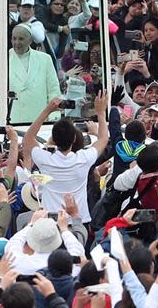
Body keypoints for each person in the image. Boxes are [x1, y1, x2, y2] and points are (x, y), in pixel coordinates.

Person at [22, 93, 108, 223]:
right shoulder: (84, 159)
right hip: (79, 222)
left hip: (51, 222)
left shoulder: (44, 159)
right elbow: (103, 139)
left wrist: (48, 110)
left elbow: (28, 139)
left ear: (54, 140)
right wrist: (100, 112)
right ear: (74, 139)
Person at [0, 24, 61, 124]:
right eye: (14, 38)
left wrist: (53, 117)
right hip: (10, 118)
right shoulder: (3, 57)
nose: (17, 42)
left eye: (21, 39)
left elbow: (53, 91)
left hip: (38, 119)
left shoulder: (45, 59)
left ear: (30, 41)